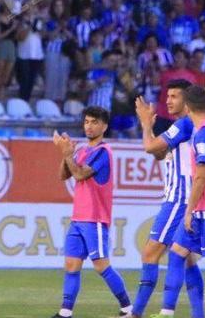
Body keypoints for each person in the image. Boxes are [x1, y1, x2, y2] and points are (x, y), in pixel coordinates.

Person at [152, 86, 205, 318]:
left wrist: (189, 210)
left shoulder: (203, 134)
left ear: (188, 107)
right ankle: (168, 312)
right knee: (177, 251)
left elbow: (201, 177)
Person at [129, 80, 204, 318]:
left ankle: (136, 313)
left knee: (150, 254)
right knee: (187, 258)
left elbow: (151, 148)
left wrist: (143, 124)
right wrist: (150, 127)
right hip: (186, 198)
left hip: (179, 199)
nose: (168, 101)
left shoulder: (183, 124)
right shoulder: (187, 126)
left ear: (187, 101)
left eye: (174, 96)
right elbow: (160, 153)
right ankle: (197, 314)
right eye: (167, 96)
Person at [50, 107, 132, 318]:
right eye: (86, 121)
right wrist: (65, 154)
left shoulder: (103, 152)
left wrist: (69, 155)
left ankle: (127, 308)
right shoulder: (83, 150)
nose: (89, 125)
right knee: (71, 264)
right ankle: (65, 312)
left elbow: (79, 175)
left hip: (94, 217)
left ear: (104, 126)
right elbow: (63, 175)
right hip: (78, 217)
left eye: (94, 122)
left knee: (101, 265)